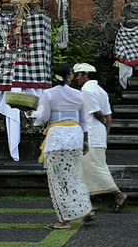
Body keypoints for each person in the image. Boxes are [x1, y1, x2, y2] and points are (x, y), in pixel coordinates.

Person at [31, 64, 93, 229]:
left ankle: (64, 220)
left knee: (57, 181)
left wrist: (33, 115)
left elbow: (42, 117)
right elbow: (83, 120)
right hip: (75, 136)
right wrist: (85, 141)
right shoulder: (77, 94)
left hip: (58, 138)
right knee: (74, 177)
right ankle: (84, 209)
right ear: (68, 76)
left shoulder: (49, 94)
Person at [74, 63, 128, 213]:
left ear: (86, 75)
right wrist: (106, 132)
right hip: (98, 134)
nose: (77, 78)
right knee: (89, 167)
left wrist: (103, 126)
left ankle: (117, 194)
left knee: (95, 167)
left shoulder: (87, 90)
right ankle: (87, 201)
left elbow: (98, 113)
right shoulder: (100, 90)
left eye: (78, 75)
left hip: (90, 133)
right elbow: (108, 114)